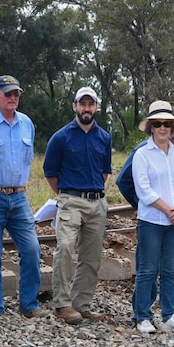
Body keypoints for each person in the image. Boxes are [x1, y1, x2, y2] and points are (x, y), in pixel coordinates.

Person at [0, 75, 50, 318]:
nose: (13, 97)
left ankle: (28, 304)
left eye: (16, 93)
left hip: (19, 197)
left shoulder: (27, 123)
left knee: (32, 250)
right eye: (8, 93)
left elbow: (27, 160)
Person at [116, 102, 174, 324]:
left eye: (168, 123)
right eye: (159, 123)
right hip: (152, 219)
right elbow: (137, 186)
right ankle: (142, 315)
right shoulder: (142, 154)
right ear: (151, 126)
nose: (164, 127)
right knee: (148, 269)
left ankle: (172, 314)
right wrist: (157, 206)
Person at [43, 86, 113, 325]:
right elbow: (50, 173)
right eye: (82, 104)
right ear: (74, 106)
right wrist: (66, 196)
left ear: (95, 107)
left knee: (91, 257)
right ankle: (62, 304)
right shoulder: (61, 137)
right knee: (64, 247)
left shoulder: (104, 137)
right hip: (71, 200)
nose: (86, 108)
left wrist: (92, 194)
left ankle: (81, 305)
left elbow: (105, 172)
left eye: (90, 104)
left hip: (97, 202)